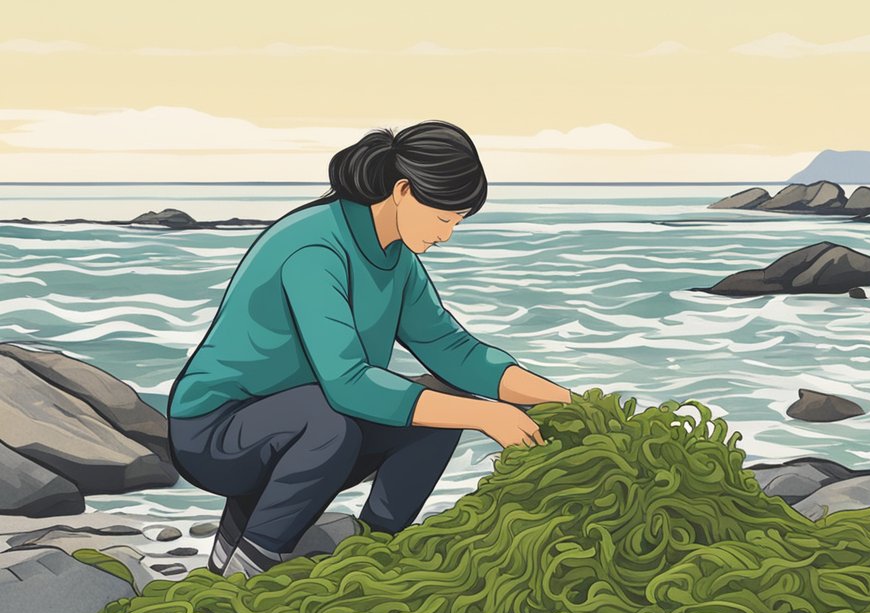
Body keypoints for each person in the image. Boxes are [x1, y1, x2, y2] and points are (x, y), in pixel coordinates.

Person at [167, 119, 574, 578]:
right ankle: (252, 568)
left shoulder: (397, 257)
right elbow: (346, 382)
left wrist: (563, 400)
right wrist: (486, 416)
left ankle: (374, 551)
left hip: (296, 424)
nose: (447, 235)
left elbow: (452, 350)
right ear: (402, 190)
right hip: (214, 433)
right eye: (443, 219)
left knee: (443, 409)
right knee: (332, 420)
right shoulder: (315, 247)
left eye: (457, 222)